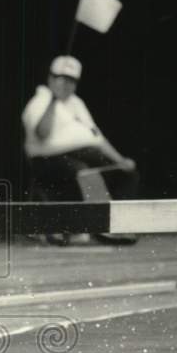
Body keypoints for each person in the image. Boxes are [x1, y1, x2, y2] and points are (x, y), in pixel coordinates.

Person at [21, 55, 139, 244]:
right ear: (51, 78)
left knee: (126, 173)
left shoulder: (76, 103)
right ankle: (101, 228)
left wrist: (120, 160)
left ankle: (121, 225)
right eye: (62, 78)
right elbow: (42, 134)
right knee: (85, 171)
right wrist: (53, 100)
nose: (66, 84)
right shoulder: (40, 100)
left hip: (84, 155)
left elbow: (97, 137)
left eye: (72, 80)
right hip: (48, 160)